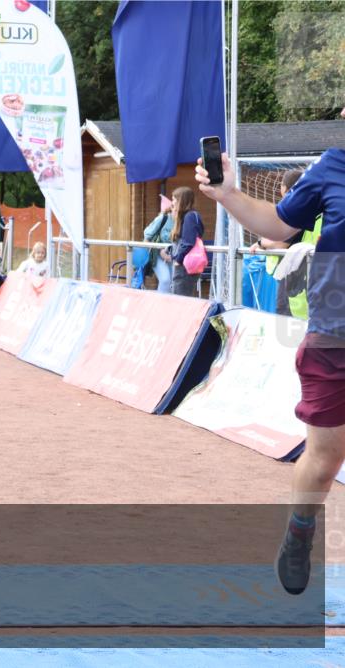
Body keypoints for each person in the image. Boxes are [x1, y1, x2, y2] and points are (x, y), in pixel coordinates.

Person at [194, 104, 345, 596]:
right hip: (334, 335)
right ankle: (300, 530)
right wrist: (228, 193)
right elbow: (279, 226)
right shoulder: (331, 167)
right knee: (324, 462)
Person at [247, 170, 308, 316]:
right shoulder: (306, 208)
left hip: (295, 271)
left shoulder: (296, 210)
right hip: (304, 269)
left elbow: (282, 243)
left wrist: (261, 243)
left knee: (286, 314)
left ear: (284, 188)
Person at [159, 187, 204, 297]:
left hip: (184, 266)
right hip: (184, 265)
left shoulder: (190, 217)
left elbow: (188, 241)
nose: (172, 202)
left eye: (174, 199)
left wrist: (178, 259)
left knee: (180, 298)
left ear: (181, 200)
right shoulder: (189, 216)